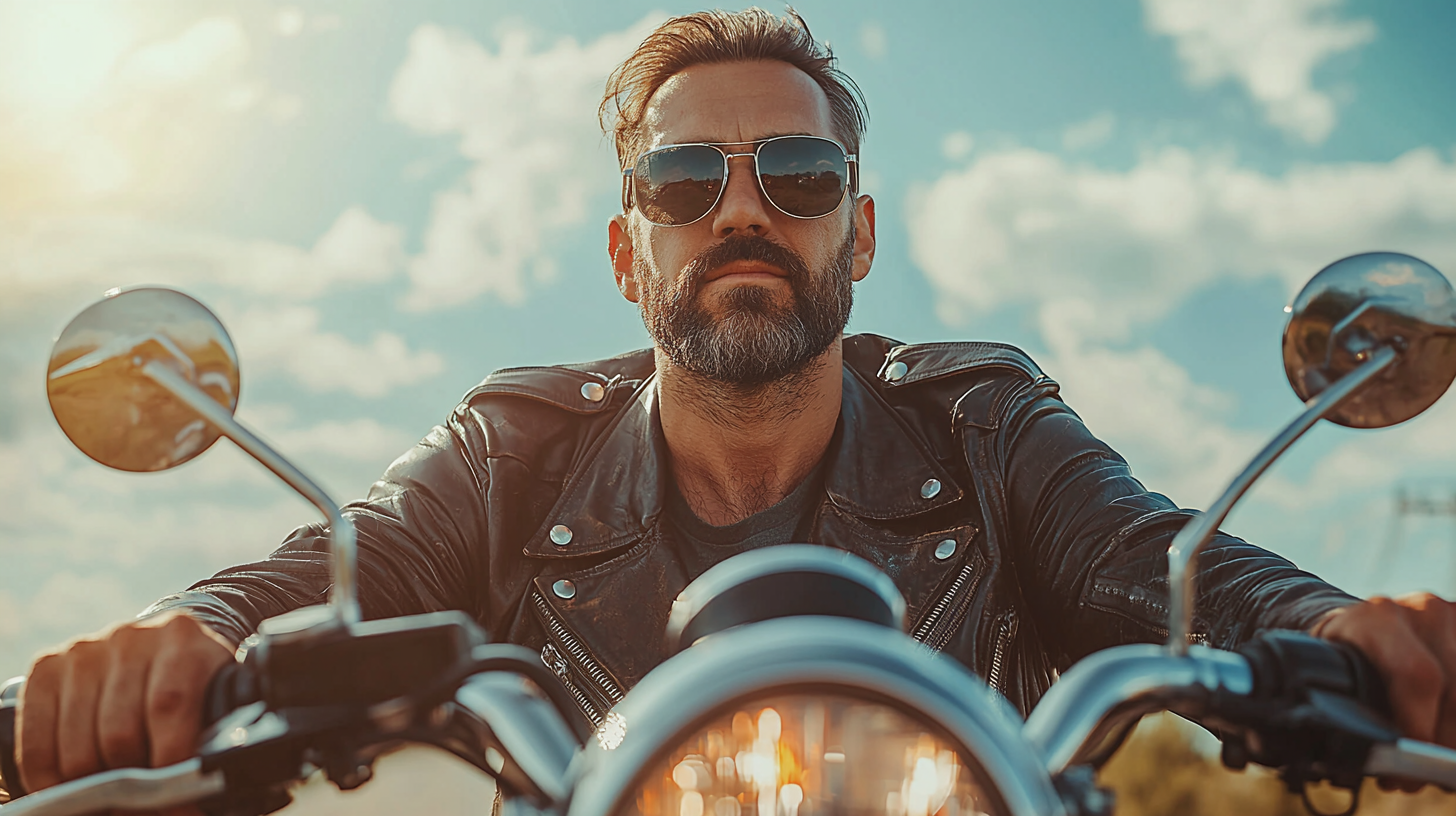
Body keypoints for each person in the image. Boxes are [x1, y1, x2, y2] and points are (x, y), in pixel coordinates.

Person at [14, 7, 1456, 796]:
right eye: (685, 181)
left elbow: (1158, 556)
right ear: (627, 247)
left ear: (860, 235)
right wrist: (190, 640)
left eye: (800, 176)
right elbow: (336, 565)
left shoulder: (987, 428)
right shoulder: (512, 453)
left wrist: (1329, 629)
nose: (743, 211)